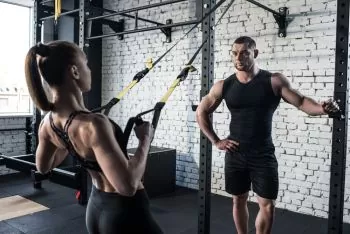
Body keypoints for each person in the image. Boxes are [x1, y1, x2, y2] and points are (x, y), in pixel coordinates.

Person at [195, 36, 339, 234]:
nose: (239, 57)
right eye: (235, 53)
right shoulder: (224, 85)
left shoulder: (273, 81)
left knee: (267, 204)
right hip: (235, 153)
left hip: (263, 154)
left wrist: (323, 109)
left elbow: (302, 102)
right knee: (238, 199)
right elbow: (201, 111)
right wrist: (216, 140)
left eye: (245, 52)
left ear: (255, 53)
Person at [24, 40, 163, 234]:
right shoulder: (93, 124)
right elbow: (128, 186)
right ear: (74, 71)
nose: (89, 70)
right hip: (126, 214)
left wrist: (68, 141)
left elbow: (43, 167)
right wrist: (145, 140)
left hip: (96, 209)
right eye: (86, 64)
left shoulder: (48, 124)